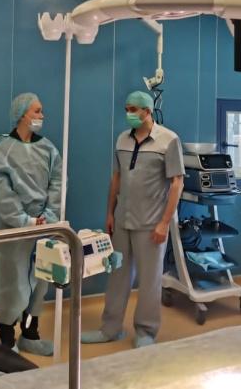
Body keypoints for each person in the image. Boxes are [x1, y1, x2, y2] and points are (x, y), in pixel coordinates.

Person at [82, 91, 184, 348]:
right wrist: (109, 212)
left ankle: (146, 331)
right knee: (116, 276)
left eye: (133, 109)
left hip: (151, 224)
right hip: (122, 220)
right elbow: (116, 178)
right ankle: (110, 328)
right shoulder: (122, 140)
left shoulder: (169, 140)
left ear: (147, 111)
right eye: (126, 109)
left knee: (150, 281)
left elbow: (177, 184)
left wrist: (164, 223)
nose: (128, 114)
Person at [0, 93, 61, 356]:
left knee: (40, 280)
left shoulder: (48, 148)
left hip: (44, 224)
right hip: (14, 226)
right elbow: (3, 191)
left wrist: (49, 217)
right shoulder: (5, 148)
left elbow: (57, 183)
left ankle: (30, 335)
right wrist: (25, 220)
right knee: (12, 281)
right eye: (37, 111)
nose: (42, 116)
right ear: (22, 114)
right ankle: (7, 340)